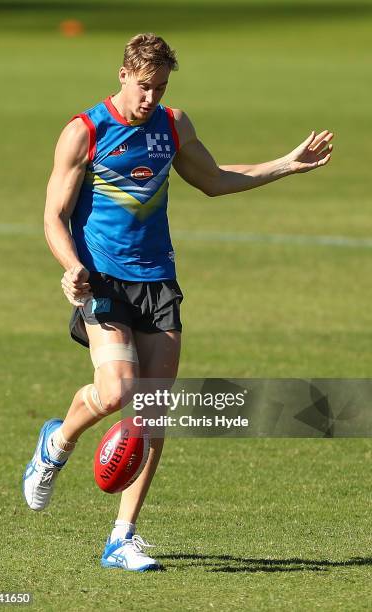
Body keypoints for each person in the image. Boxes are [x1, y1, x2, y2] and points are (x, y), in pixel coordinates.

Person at [22, 32, 333, 572]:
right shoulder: (85, 132)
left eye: (160, 87)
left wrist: (286, 164)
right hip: (102, 281)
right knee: (118, 391)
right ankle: (58, 441)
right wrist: (71, 269)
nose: (151, 99)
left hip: (159, 282)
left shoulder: (172, 124)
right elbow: (53, 216)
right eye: (144, 87)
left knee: (153, 409)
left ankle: (122, 537)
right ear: (123, 75)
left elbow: (212, 180)